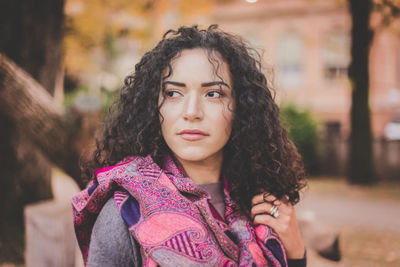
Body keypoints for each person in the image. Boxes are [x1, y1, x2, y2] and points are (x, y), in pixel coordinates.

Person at [72, 25, 308, 267]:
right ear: (155, 108)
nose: (192, 112)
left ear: (242, 109)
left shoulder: (261, 205)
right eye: (174, 93)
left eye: (213, 94)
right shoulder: (125, 212)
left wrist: (296, 252)